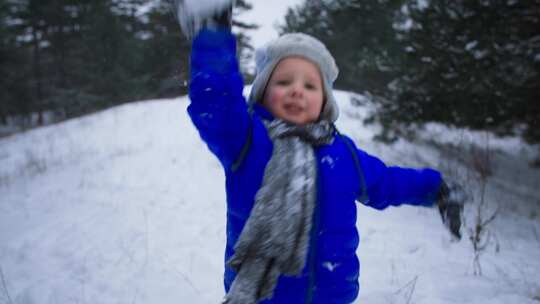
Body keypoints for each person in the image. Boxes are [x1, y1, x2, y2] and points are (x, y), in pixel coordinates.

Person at [185, 12, 463, 304]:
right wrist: (212, 32)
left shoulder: (341, 152)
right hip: (263, 297)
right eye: (283, 82)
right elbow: (215, 100)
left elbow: (387, 181)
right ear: (263, 92)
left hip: (332, 296)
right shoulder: (246, 140)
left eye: (309, 86)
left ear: (325, 101)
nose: (296, 90)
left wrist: (437, 188)